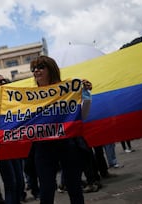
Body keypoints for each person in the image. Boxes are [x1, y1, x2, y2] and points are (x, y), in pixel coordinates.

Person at [29, 55, 92, 204]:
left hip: (67, 144)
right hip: (43, 147)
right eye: (34, 69)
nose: (36, 71)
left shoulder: (68, 90)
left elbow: (81, 115)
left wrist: (86, 95)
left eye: (40, 67)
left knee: (74, 187)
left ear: (51, 69)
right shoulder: (29, 97)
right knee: (46, 190)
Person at [0, 74, 27, 204]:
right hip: (2, 147)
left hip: (15, 145)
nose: (1, 83)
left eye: (3, 80)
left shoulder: (14, 100)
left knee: (19, 181)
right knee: (11, 183)